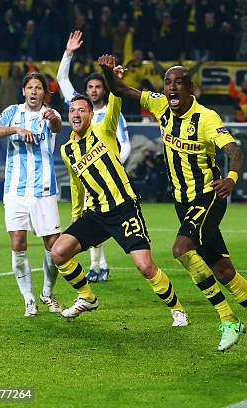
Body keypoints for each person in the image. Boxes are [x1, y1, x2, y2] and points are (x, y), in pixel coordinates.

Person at [100, 55, 247, 357]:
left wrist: (230, 177)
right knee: (224, 270)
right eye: (168, 83)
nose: (171, 88)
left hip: (209, 196)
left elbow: (234, 150)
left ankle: (228, 320)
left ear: (191, 88)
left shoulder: (206, 118)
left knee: (181, 249)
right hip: (183, 201)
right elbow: (122, 90)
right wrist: (107, 72)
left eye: (178, 83)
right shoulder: (160, 104)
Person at [50, 56, 187, 327]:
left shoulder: (105, 129)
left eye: (81, 110)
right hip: (96, 213)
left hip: (124, 209)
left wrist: (114, 78)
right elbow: (78, 185)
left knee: (145, 266)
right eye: (72, 110)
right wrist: (77, 215)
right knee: (58, 253)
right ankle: (87, 297)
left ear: (91, 114)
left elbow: (116, 98)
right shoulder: (68, 150)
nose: (76, 114)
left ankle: (178, 309)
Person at [0, 72, 63, 317]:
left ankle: (47, 293)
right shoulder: (12, 113)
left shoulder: (51, 113)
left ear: (44, 93)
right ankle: (29, 299)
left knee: (54, 248)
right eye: (31, 87)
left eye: (39, 88)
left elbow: (57, 126)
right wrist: (14, 129)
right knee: (18, 243)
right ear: (24, 91)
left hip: (44, 191)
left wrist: (52, 119)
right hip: (15, 191)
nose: (34, 91)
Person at [57, 31, 131, 283]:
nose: (94, 90)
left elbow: (124, 144)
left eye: (99, 86)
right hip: (87, 176)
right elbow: (61, 80)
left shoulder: (111, 113)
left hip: (109, 177)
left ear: (103, 88)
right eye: (90, 87)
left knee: (99, 221)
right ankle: (98, 266)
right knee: (91, 220)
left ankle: (100, 266)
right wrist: (68, 53)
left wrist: (114, 164)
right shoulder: (80, 108)